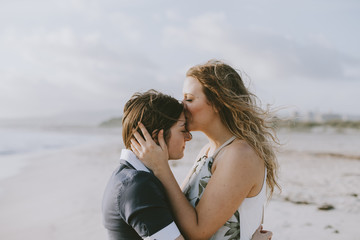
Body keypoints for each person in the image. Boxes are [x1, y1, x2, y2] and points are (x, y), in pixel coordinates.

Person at [131, 60, 280, 239]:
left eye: (189, 99)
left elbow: (197, 232)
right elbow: (178, 212)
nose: (182, 106)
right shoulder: (208, 152)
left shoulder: (241, 154)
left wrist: (161, 168)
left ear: (217, 103)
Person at [102, 89, 273, 240]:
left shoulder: (128, 176)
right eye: (182, 129)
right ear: (156, 136)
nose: (188, 137)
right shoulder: (137, 186)